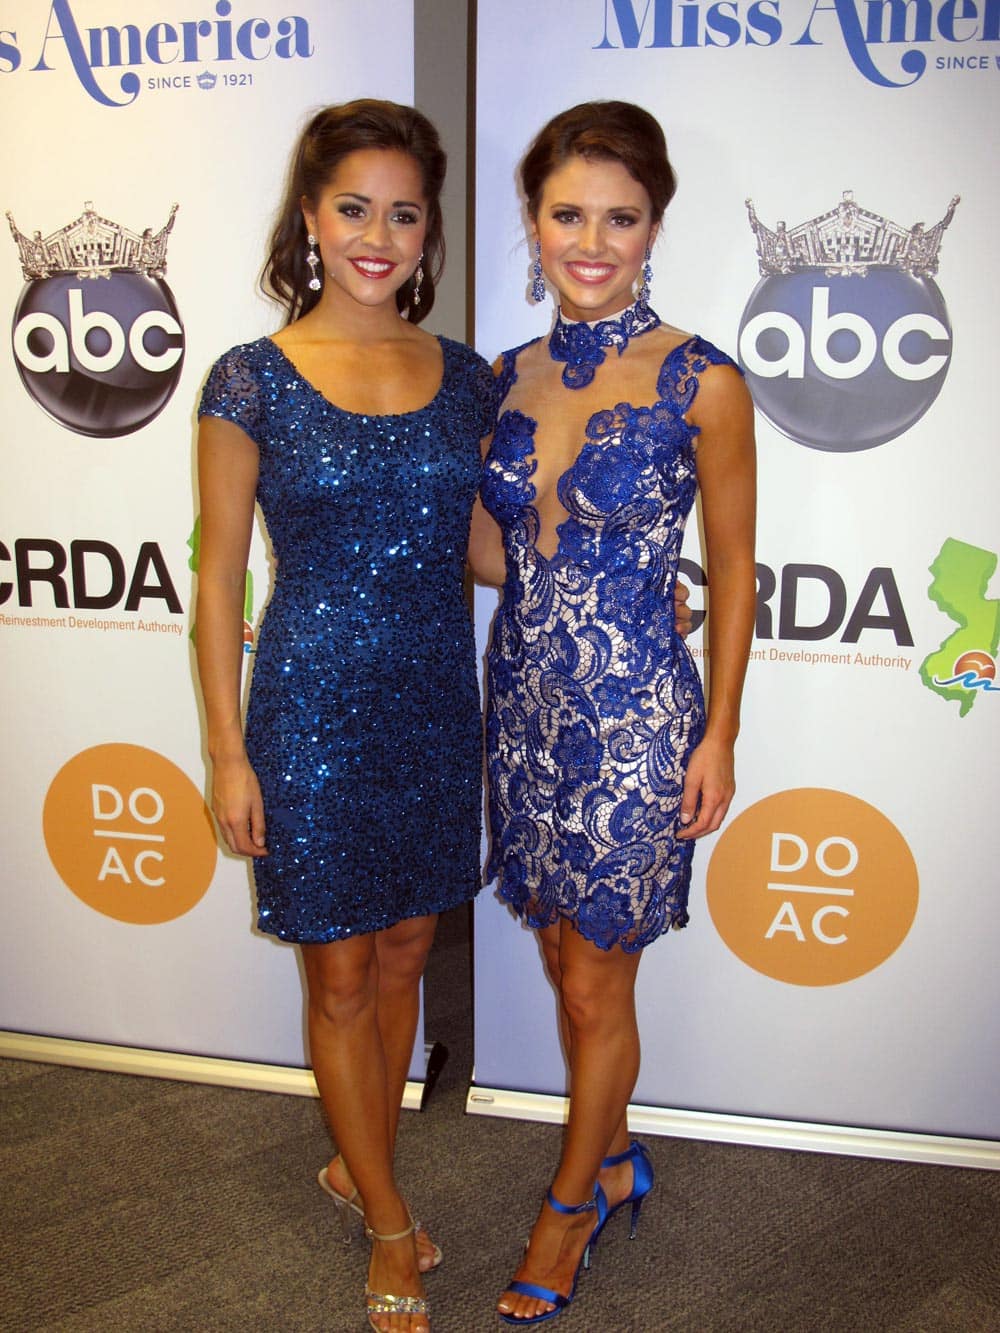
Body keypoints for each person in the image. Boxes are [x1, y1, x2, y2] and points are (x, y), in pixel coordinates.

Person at [195, 99, 495, 1333]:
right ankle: (382, 1214)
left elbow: (483, 547)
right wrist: (226, 752)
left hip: (433, 702)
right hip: (310, 707)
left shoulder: (467, 374)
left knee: (409, 953)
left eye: (404, 212)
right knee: (337, 974)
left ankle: (352, 1155)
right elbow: (218, 576)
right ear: (311, 217)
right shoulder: (248, 378)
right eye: (354, 207)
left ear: (428, 232)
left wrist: (619, 582)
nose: (379, 234)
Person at [468, 101, 756, 1325]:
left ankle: (570, 1204)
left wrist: (719, 730)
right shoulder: (502, 376)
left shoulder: (703, 378)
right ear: (532, 224)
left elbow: (737, 570)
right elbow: (493, 555)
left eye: (620, 218)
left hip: (635, 715)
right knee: (560, 955)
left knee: (595, 985)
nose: (592, 241)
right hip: (522, 706)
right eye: (567, 214)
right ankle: (620, 1151)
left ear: (654, 228)